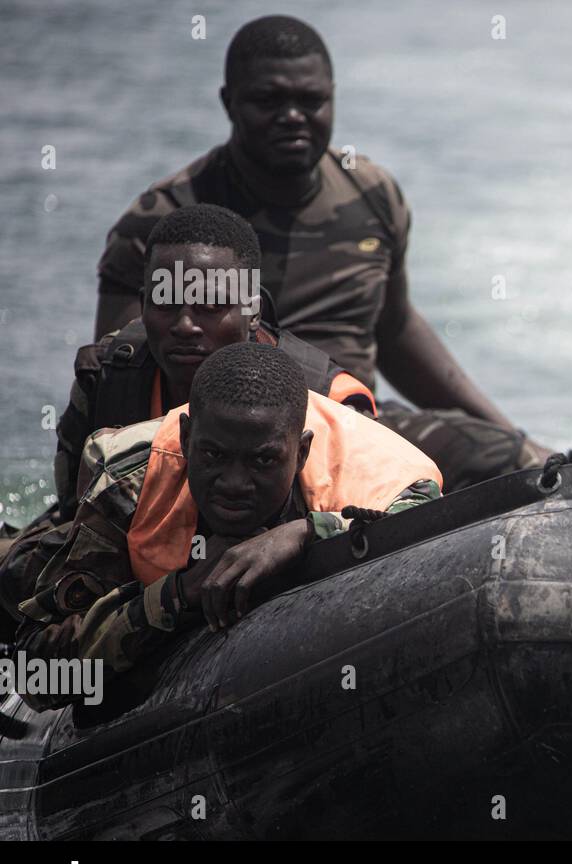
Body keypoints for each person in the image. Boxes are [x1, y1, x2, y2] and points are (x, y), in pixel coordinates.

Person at [94, 15, 551, 493]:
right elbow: (123, 364)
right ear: (230, 103)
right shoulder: (167, 223)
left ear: (332, 97)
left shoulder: (373, 195)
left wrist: (516, 435)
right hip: (227, 439)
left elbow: (394, 329)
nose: (292, 116)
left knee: (508, 462)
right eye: (269, 100)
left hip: (356, 420)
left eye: (310, 100)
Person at [0, 204, 375, 632]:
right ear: (143, 306)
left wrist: (301, 535)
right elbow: (74, 518)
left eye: (210, 304)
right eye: (166, 302)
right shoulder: (110, 376)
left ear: (252, 310)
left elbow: (377, 524)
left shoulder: (330, 402)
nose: (185, 324)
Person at [13, 342, 442, 711]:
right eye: (214, 457)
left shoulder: (384, 481)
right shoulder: (129, 482)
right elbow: (38, 673)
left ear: (302, 452)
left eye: (262, 461)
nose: (235, 485)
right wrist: (177, 595)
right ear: (186, 438)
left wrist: (304, 534)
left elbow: (428, 553)